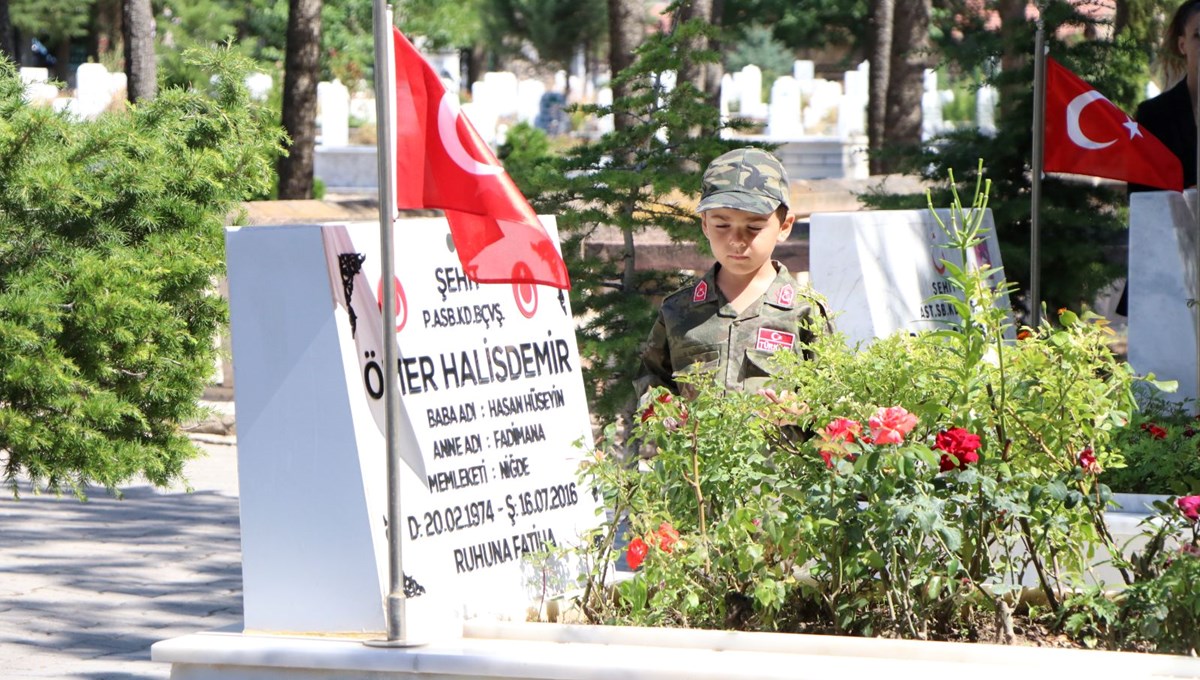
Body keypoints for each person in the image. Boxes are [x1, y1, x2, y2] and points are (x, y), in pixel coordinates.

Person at [636, 147, 829, 397]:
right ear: (705, 224)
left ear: (784, 226)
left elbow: (833, 402)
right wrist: (664, 412)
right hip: (696, 438)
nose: (736, 240)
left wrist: (799, 412)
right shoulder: (678, 310)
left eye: (754, 226)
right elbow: (651, 380)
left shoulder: (804, 311)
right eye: (722, 225)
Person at [1119, 0, 1200, 314]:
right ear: (1182, 44)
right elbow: (1141, 198)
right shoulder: (1154, 116)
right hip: (1166, 274)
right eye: (1198, 36)